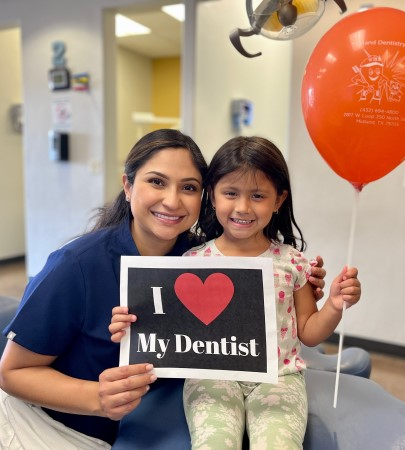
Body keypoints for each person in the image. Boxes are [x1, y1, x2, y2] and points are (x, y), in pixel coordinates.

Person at [0, 129, 326, 449]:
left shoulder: (201, 259)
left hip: (146, 423)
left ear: (203, 197)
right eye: (156, 182)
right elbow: (12, 373)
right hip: (47, 426)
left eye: (188, 187)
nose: (172, 201)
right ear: (128, 185)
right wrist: (95, 398)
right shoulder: (76, 264)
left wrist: (297, 289)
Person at [110, 136, 361, 449]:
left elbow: (309, 333)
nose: (243, 207)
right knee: (213, 443)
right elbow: (169, 330)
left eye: (258, 195)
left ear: (278, 200)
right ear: (212, 195)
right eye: (231, 193)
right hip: (211, 377)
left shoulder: (292, 262)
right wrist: (132, 327)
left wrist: (335, 305)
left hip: (280, 378)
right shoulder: (191, 262)